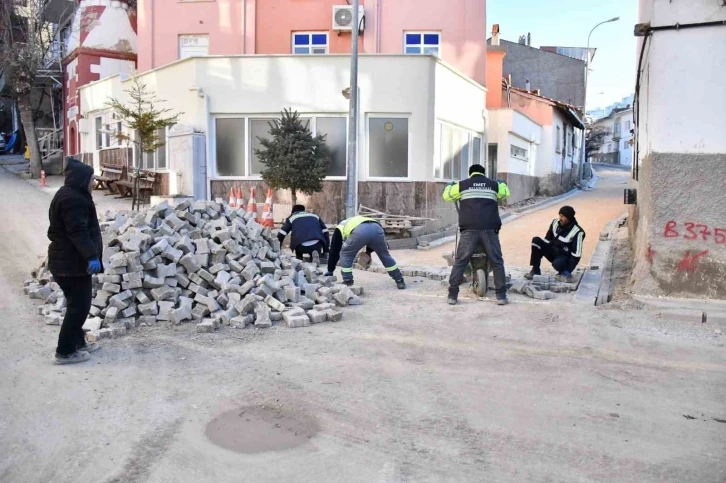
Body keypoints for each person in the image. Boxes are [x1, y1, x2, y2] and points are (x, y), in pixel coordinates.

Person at [47, 158, 104, 365]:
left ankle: (78, 343)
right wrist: (91, 256)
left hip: (67, 262)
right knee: (79, 308)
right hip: (72, 264)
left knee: (76, 305)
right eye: (91, 179)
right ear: (82, 180)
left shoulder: (70, 193)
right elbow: (77, 231)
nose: (93, 182)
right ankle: (64, 352)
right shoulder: (74, 199)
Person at [443, 164, 510, 306]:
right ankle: (501, 296)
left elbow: (447, 196)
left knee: (460, 261)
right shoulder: (493, 185)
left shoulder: (462, 185)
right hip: (490, 229)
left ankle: (452, 295)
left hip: (469, 229)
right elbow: (505, 193)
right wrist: (501, 183)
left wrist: (449, 186)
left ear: (470, 173)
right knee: (497, 262)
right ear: (483, 173)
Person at [325, 216, 406, 289]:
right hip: (377, 228)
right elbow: (372, 238)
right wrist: (368, 252)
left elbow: (334, 250)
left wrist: (330, 270)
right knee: (385, 255)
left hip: (360, 232)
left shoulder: (340, 227)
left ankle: (347, 280)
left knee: (346, 253)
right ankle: (399, 280)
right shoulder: (357, 220)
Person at [525, 206, 585, 280]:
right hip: (552, 251)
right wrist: (540, 251)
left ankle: (563, 271)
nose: (560, 219)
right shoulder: (555, 222)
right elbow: (547, 240)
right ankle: (535, 270)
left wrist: (569, 270)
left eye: (562, 217)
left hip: (563, 257)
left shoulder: (578, 232)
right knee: (536, 241)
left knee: (558, 264)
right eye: (560, 215)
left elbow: (576, 255)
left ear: (569, 217)